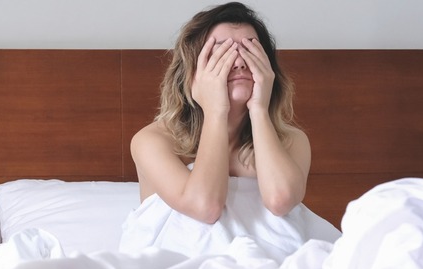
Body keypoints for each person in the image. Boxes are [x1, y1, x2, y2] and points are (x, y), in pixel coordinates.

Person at [131, 2, 309, 223]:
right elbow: (205, 208)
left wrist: (259, 110)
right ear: (192, 72)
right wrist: (216, 112)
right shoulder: (152, 141)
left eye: (250, 50)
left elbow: (281, 201)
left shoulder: (292, 141)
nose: (239, 63)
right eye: (223, 53)